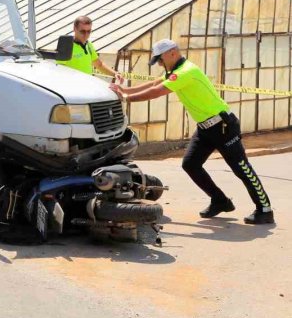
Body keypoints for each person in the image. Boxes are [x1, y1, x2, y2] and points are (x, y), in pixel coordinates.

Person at [110, 39, 274, 225]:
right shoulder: (174, 71)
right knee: (190, 164)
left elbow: (158, 91)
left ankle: (265, 209)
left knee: (241, 168)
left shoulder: (186, 71)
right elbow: (155, 84)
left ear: (172, 53)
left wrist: (125, 97)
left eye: (160, 59)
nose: (160, 64)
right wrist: (125, 90)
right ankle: (220, 201)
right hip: (205, 128)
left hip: (222, 126)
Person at [57, 16, 123, 81]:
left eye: (89, 31)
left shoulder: (89, 45)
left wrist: (114, 73)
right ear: (74, 29)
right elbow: (59, 70)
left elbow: (99, 65)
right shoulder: (67, 46)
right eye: (82, 31)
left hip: (87, 86)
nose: (86, 34)